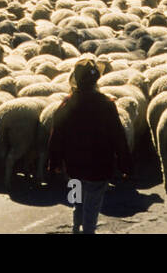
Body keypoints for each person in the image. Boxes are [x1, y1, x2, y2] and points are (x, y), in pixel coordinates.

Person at [45, 57, 131, 235]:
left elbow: (56, 134)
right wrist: (125, 163)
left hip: (73, 166)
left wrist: (54, 162)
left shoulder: (66, 104)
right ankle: (87, 231)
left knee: (77, 199)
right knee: (92, 205)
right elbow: (118, 135)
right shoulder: (106, 104)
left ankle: (76, 227)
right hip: (98, 166)